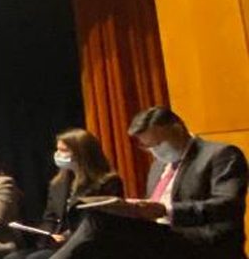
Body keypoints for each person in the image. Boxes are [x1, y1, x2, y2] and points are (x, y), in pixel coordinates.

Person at [51, 106, 247, 259]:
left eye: (158, 143)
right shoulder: (159, 165)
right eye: (148, 146)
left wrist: (166, 210)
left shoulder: (220, 155)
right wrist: (134, 210)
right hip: (162, 237)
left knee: (102, 222)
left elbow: (227, 205)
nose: (155, 151)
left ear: (178, 129)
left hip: (203, 240)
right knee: (102, 223)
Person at [4, 129, 122, 259]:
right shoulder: (58, 184)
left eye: (64, 150)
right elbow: (51, 218)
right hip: (57, 243)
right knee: (13, 257)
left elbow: (97, 224)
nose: (58, 154)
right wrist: (48, 235)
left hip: (87, 244)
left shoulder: (106, 182)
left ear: (82, 153)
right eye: (57, 149)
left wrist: (66, 237)